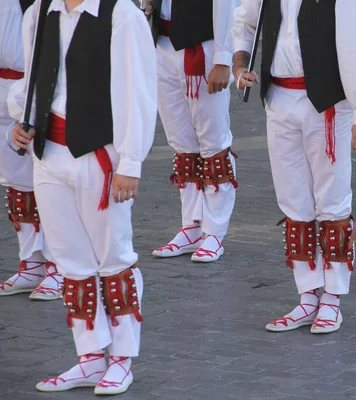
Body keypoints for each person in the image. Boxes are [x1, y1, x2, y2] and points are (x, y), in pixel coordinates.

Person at [9, 0, 157, 393]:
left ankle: (122, 358)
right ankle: (90, 357)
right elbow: (32, 82)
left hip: (98, 153)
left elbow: (137, 89)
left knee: (113, 257)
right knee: (70, 258)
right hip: (48, 155)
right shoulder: (39, 12)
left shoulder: (121, 14)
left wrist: (131, 161)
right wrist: (19, 122)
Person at [232, 0, 356, 334]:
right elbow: (246, 22)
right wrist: (239, 66)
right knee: (293, 199)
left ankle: (333, 297)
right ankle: (307, 295)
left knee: (332, 198)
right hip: (279, 100)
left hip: (327, 104)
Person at [145, 0, 238, 263]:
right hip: (163, 44)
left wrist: (223, 57)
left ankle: (214, 231)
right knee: (182, 141)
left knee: (213, 141)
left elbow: (226, 5)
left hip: (201, 46)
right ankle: (192, 225)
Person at [0, 0, 62, 301]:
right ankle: (32, 263)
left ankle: (59, 265)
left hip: (41, 86)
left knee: (51, 176)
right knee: (15, 177)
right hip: (3, 84)